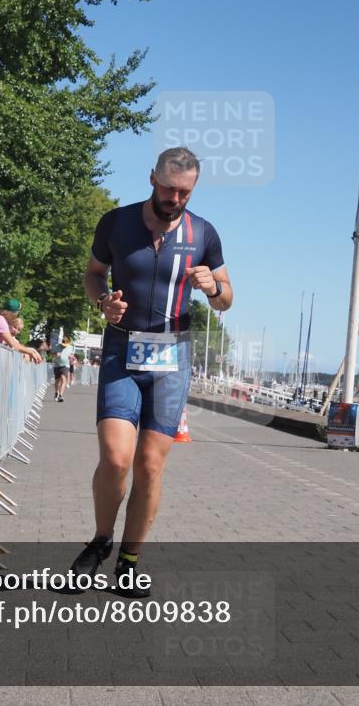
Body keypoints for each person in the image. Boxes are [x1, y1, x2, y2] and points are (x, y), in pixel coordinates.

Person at [73, 147, 232, 596]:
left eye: (185, 192)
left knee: (148, 466)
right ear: (151, 180)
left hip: (171, 359)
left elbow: (227, 298)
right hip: (122, 351)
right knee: (116, 458)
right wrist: (102, 302)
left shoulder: (204, 233)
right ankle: (101, 541)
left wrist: (213, 288)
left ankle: (129, 561)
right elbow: (93, 274)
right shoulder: (116, 223)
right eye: (168, 189)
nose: (175, 198)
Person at [0, 299, 43, 364]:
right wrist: (30, 352)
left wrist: (31, 350)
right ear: (14, 313)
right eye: (17, 313)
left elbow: (13, 344)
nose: (17, 315)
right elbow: (13, 344)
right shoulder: (0, 321)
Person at [51, 336, 73, 402]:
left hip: (65, 365)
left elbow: (71, 355)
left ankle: (60, 396)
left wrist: (70, 357)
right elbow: (52, 354)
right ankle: (56, 392)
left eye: (65, 345)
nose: (64, 346)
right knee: (57, 381)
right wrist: (55, 354)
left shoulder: (70, 347)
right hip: (57, 365)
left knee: (64, 380)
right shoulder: (56, 346)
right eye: (63, 345)